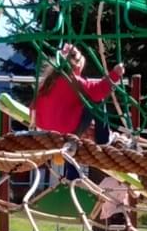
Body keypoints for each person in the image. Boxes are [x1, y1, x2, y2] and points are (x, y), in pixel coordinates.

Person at [31, 44, 124, 180]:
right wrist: (116, 74)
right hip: (67, 129)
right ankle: (104, 138)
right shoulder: (74, 81)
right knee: (96, 101)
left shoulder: (47, 83)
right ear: (77, 65)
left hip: (47, 130)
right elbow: (99, 91)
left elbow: (33, 106)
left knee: (69, 142)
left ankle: (72, 176)